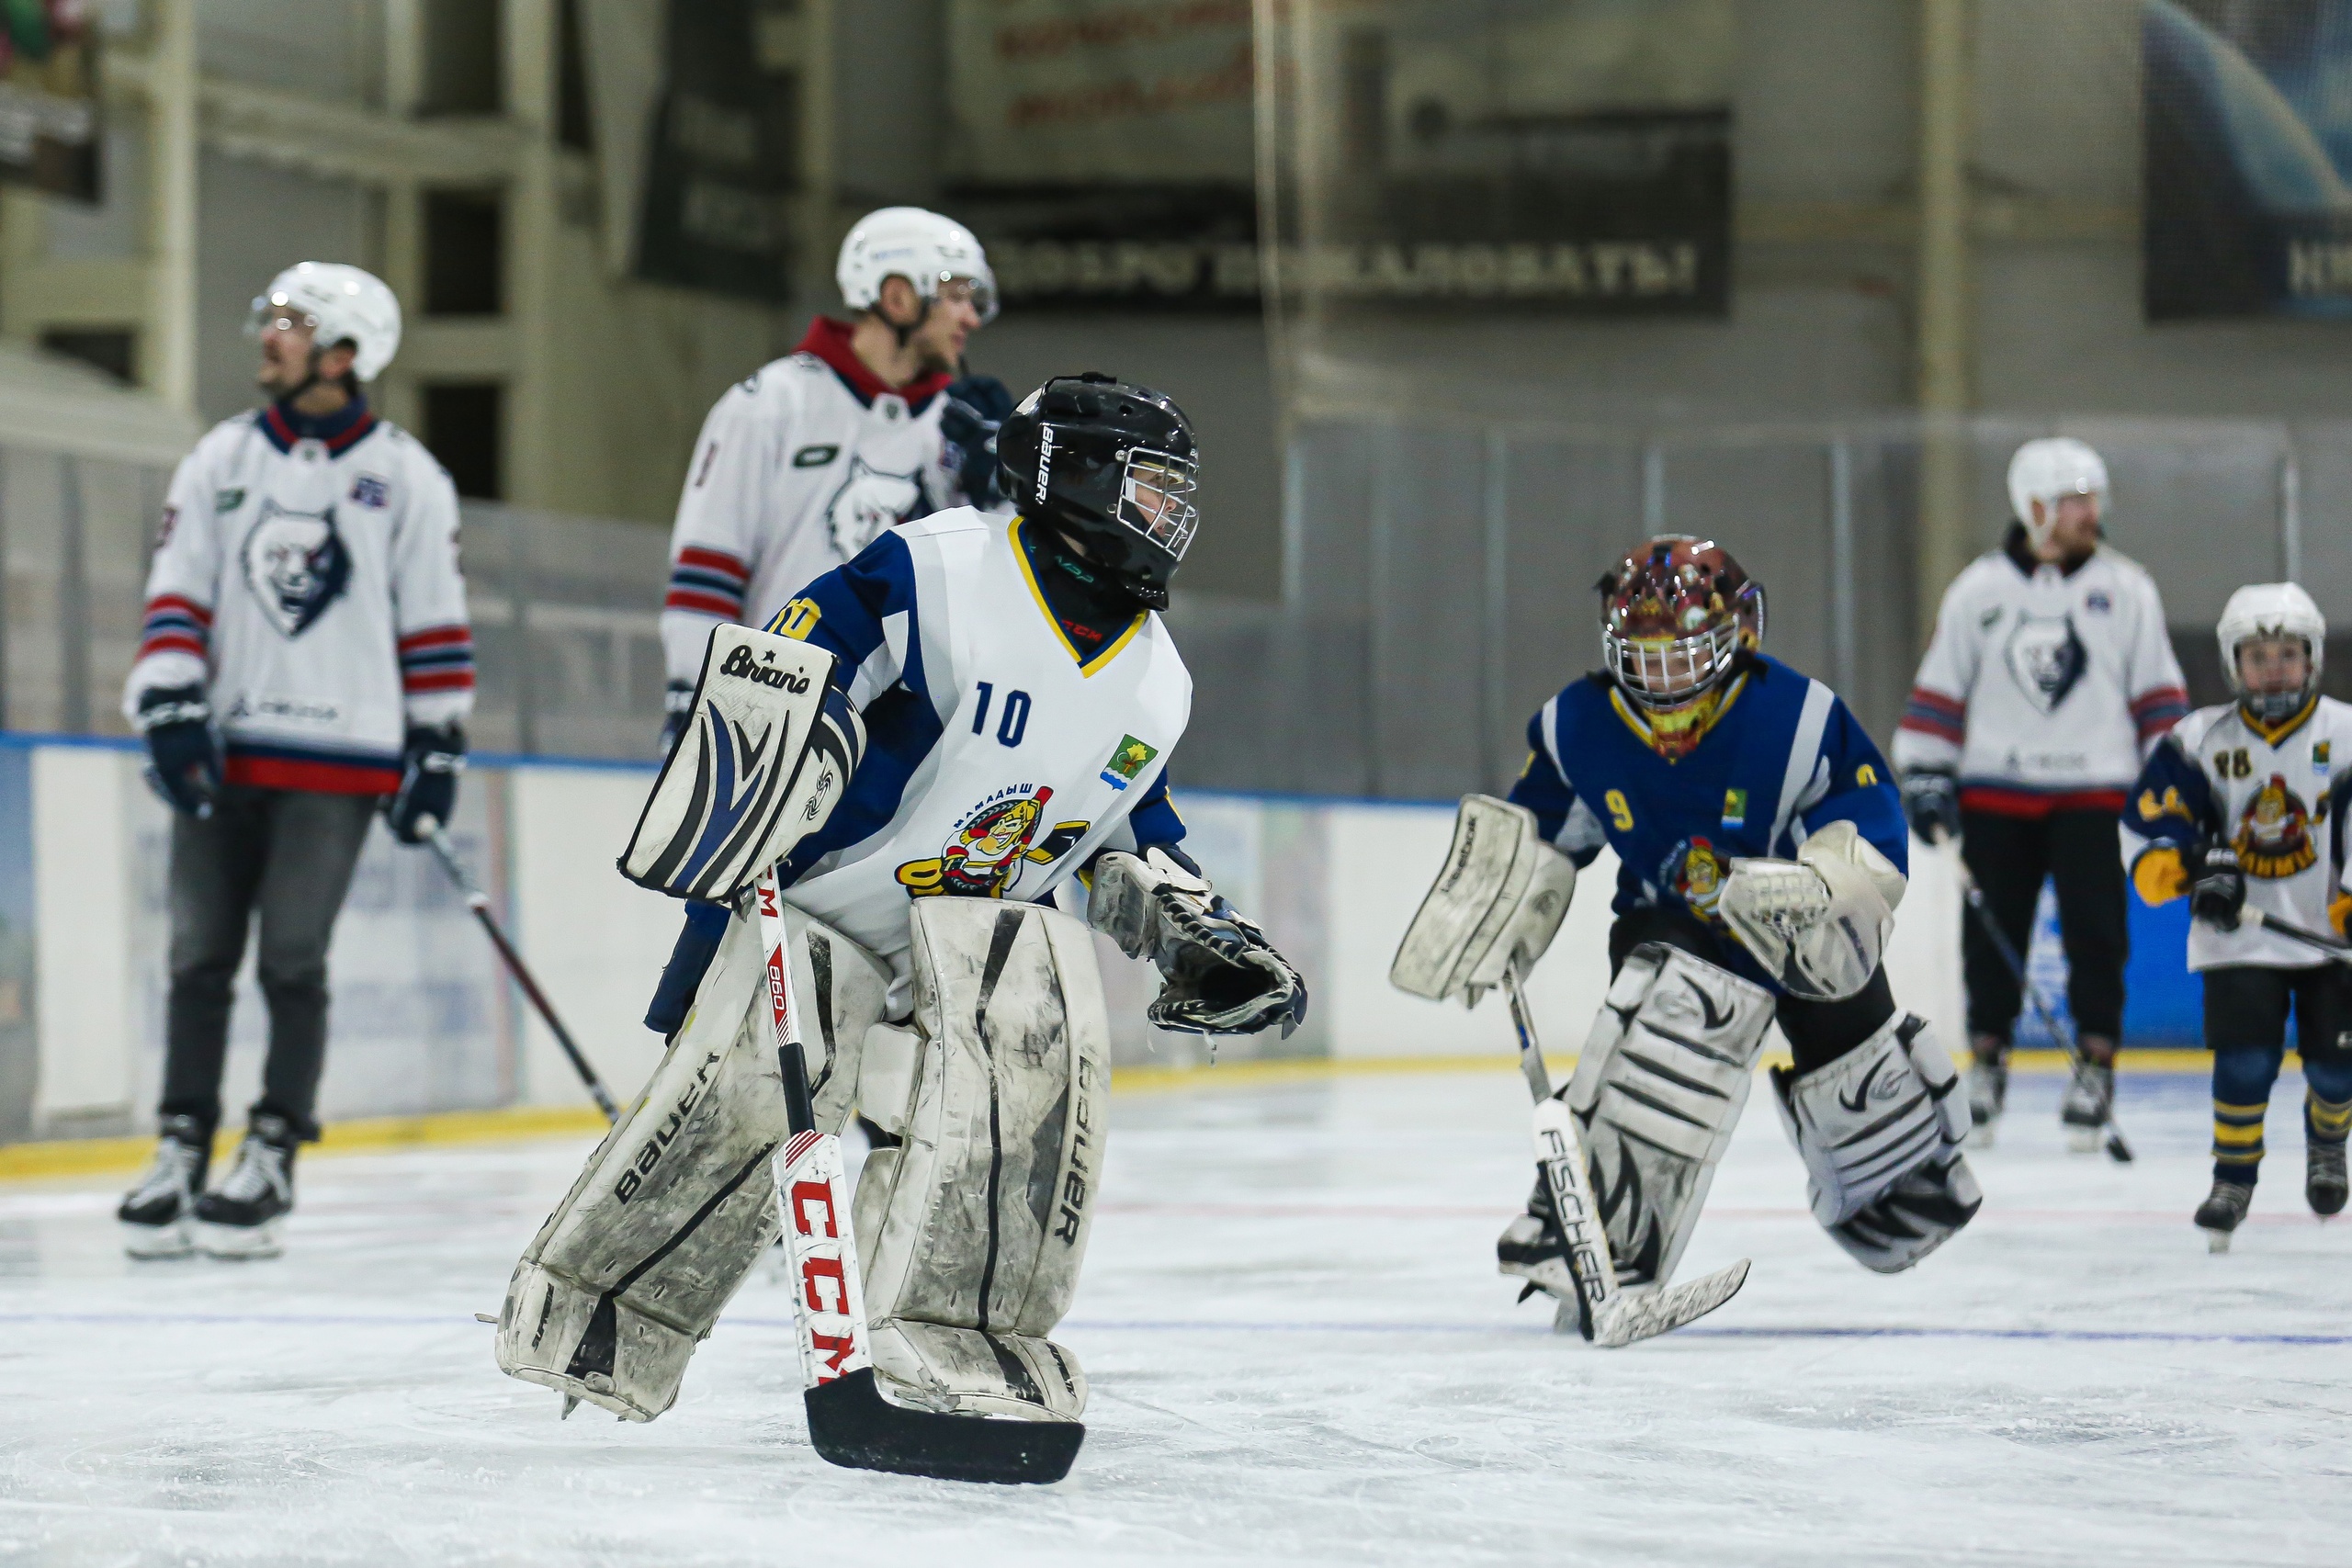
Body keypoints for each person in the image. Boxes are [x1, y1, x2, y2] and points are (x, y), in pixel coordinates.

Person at [493, 374, 1305, 1433]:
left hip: (972, 940)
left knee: (1023, 1079)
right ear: (1075, 473)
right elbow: (787, 666)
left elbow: (1129, 830)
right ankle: (599, 1315)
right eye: (1152, 486)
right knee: (744, 1097)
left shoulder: (1158, 682)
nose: (1170, 514)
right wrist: (782, 757)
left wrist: (1183, 926)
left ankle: (955, 1336)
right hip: (826, 904)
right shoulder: (942, 567)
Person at [1396, 536, 1981, 1306]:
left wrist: (1834, 886)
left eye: (1682, 657)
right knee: (1666, 1015)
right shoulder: (1581, 726)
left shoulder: (1797, 716)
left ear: (1739, 636)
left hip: (1792, 930)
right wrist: (1494, 906)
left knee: (1864, 1069)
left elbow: (1864, 811)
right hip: (1671, 926)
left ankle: (1899, 1193)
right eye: (1642, 660)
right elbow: (1540, 835)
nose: (1662, 682)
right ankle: (1598, 1229)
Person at [114, 263, 471, 1260]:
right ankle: (182, 1146)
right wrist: (169, 703)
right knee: (196, 958)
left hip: (339, 762)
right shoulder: (222, 457)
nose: (269, 336)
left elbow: (433, 618)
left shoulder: (406, 475)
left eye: (293, 322)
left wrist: (436, 741)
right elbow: (176, 589)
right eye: (270, 317)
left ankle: (271, 1154)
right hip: (225, 749)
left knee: (291, 960)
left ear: (347, 352)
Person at [1894, 437, 2188, 1150]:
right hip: (1996, 792)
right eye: (2074, 500)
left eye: (2092, 498)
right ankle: (1988, 1064)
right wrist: (1927, 771)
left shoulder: (2128, 589)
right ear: (2034, 507)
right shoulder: (1978, 591)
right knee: (1990, 939)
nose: (2091, 512)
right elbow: (1940, 691)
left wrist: (2174, 781)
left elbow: (2158, 696)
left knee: (2098, 934)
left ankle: (2096, 1063)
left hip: (2096, 791)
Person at [657, 206, 1014, 755]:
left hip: (915, 728)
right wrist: (693, 693)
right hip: (772, 712)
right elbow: (709, 569)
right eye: (956, 294)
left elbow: (1004, 590)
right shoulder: (769, 404)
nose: (971, 317)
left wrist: (1005, 490)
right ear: (898, 296)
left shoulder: (964, 426)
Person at [2120, 583, 2352, 1247]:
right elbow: (2151, 823)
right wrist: (2190, 870)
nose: (2273, 669)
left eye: (2287, 654)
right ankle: (2233, 1180)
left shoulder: (2346, 735)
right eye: (2258, 657)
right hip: (2241, 936)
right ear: (2233, 664)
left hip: (2330, 939)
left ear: (2312, 659)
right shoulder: (2198, 740)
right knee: (2245, 1063)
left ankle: (2328, 1145)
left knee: (2336, 1071)